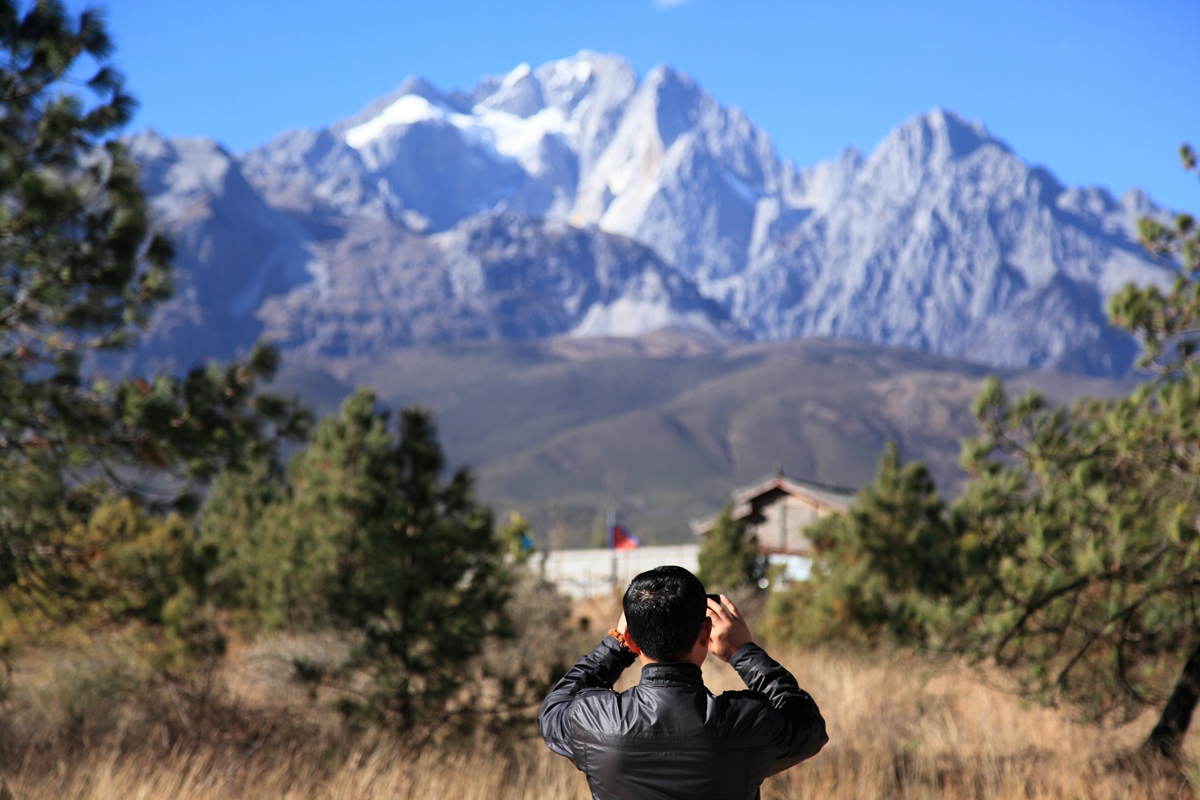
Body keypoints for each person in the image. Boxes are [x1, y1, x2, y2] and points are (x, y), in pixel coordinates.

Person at [539, 566, 827, 800]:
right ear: (707, 632)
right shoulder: (747, 720)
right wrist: (743, 652)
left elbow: (553, 709)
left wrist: (617, 646)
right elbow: (808, 726)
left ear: (632, 639)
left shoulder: (593, 719)